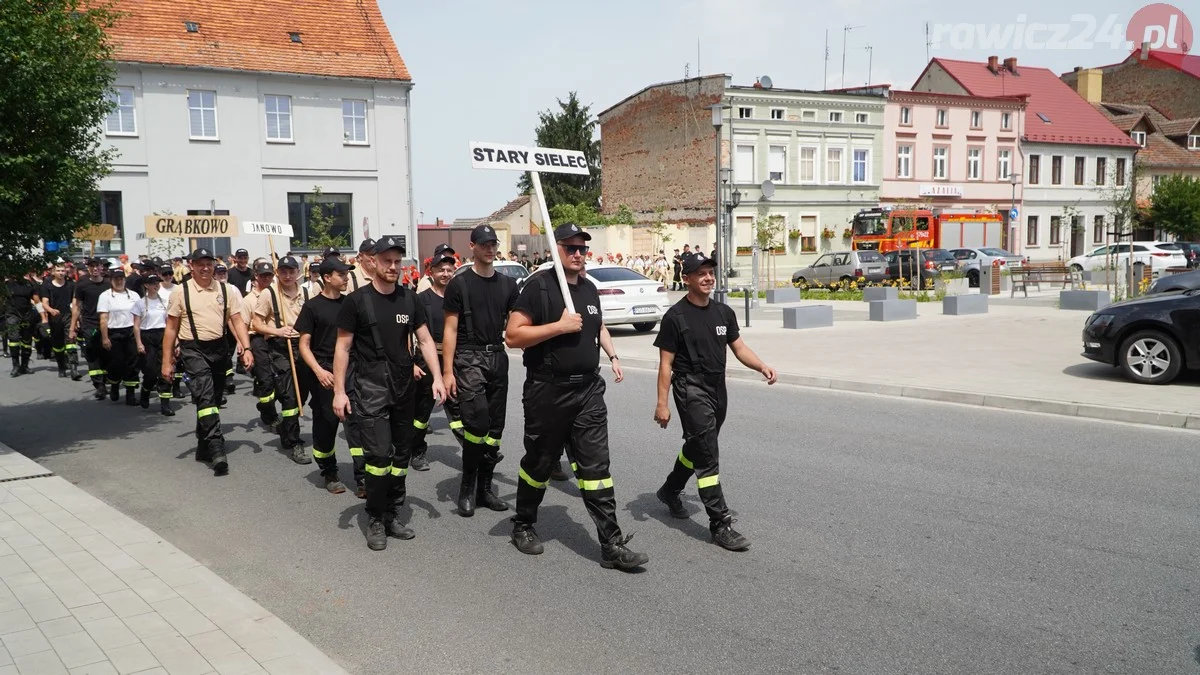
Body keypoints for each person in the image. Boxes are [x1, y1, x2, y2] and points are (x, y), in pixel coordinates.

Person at [504, 223, 649, 570]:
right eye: (570, 248)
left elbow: (597, 325)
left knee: (596, 467)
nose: (579, 254)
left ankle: (611, 544)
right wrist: (559, 326)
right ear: (557, 250)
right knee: (539, 464)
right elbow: (512, 335)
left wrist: (613, 356)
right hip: (548, 392)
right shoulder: (538, 288)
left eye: (583, 248)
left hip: (588, 390)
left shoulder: (588, 289)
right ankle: (523, 524)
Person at [652, 251, 777, 551]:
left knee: (698, 445)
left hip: (717, 388)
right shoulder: (675, 317)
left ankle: (670, 490)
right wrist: (662, 403)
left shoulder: (723, 313)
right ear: (687, 279)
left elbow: (739, 347)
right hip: (690, 388)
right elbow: (665, 364)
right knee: (708, 455)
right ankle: (720, 523)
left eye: (710, 272)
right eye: (701, 273)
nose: (708, 277)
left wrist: (761, 365)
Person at [332, 236, 445, 550]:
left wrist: (437, 376)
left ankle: (393, 512)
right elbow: (342, 347)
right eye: (387, 261)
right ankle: (376, 518)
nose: (393, 267)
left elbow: (424, 341)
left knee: (400, 457)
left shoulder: (410, 299)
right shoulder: (356, 301)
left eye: (398, 261)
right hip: (369, 387)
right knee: (379, 456)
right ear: (373, 262)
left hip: (403, 387)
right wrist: (339, 391)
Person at [442, 224, 520, 517]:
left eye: (493, 243)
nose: (490, 248)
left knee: (494, 430)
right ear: (472, 246)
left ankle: (485, 489)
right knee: (476, 427)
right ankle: (467, 487)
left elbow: (517, 326)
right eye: (484, 243)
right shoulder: (459, 285)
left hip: (497, 358)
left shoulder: (508, 285)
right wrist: (448, 372)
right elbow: (449, 330)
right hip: (468, 358)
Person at [162, 248, 254, 477]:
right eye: (200, 264)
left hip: (219, 349)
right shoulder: (180, 292)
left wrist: (246, 347)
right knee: (205, 396)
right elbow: (171, 328)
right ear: (191, 266)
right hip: (193, 349)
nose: (205, 268)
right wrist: (166, 362)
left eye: (209, 264)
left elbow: (237, 320)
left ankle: (203, 445)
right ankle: (216, 448)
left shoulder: (226, 289)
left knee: (213, 398)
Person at [296, 256, 364, 493]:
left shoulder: (351, 303)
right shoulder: (312, 307)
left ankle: (362, 477)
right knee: (327, 424)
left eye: (347, 274)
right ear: (327, 277)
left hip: (350, 368)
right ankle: (329, 472)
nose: (346, 278)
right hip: (324, 370)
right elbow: (303, 345)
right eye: (342, 274)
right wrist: (318, 371)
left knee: (356, 424)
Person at [251, 256, 311, 465]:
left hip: (302, 346)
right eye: (283, 271)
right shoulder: (269, 294)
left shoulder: (306, 292)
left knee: (302, 394)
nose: (287, 276)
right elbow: (256, 323)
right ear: (278, 273)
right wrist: (276, 330)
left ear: (298, 272)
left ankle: (286, 428)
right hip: (280, 347)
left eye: (291, 271)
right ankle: (295, 442)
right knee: (289, 397)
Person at [410, 244, 462, 472]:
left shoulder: (460, 298)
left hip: (453, 360)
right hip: (426, 362)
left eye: (450, 269)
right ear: (431, 272)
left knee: (459, 408)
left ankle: (473, 449)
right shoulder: (420, 299)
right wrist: (411, 363)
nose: (446, 274)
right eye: (441, 269)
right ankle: (417, 451)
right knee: (422, 412)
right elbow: (407, 334)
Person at [97, 268, 141, 405]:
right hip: (114, 332)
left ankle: (130, 394)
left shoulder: (134, 295)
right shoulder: (105, 296)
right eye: (116, 279)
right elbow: (103, 318)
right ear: (111, 280)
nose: (119, 281)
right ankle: (114, 385)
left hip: (131, 332)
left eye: (121, 278)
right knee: (116, 363)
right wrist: (105, 338)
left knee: (132, 364)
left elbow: (140, 316)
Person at [245, 263, 281, 431]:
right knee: (265, 379)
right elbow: (243, 325)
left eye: (269, 275)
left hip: (275, 338)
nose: (266, 278)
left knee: (281, 379)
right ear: (256, 276)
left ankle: (267, 406)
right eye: (262, 275)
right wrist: (244, 348)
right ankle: (269, 413)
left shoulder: (277, 294)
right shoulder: (248, 300)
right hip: (257, 339)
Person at [132, 274, 173, 415]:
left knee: (165, 369)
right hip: (147, 336)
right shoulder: (140, 303)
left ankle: (165, 405)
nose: (156, 285)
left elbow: (171, 324)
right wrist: (139, 343)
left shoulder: (165, 302)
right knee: (150, 370)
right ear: (146, 285)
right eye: (152, 283)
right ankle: (145, 391)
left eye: (157, 282)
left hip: (163, 335)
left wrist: (176, 342)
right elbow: (136, 326)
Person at [70, 258, 111, 398]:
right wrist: (72, 327)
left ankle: (106, 379)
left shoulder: (108, 283)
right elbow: (76, 306)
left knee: (107, 353)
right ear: (88, 268)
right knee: (93, 355)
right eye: (92, 266)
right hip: (90, 324)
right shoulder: (83, 284)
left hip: (108, 323)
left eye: (97, 266)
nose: (95, 269)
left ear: (101, 268)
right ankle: (99, 385)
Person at [40, 263, 76, 378]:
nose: (61, 273)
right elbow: (44, 303)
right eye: (58, 271)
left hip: (68, 316)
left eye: (63, 270)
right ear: (53, 272)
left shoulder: (71, 285)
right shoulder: (47, 286)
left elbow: (75, 303)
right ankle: (61, 367)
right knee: (58, 345)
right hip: (55, 318)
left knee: (71, 341)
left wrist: (77, 318)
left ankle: (74, 369)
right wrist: (51, 310)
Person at [5, 272, 41, 377]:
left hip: (27, 316)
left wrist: (43, 316)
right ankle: (15, 365)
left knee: (27, 341)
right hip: (12, 315)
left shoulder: (29, 284)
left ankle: (24, 365)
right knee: (14, 339)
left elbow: (37, 301)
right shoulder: (6, 285)